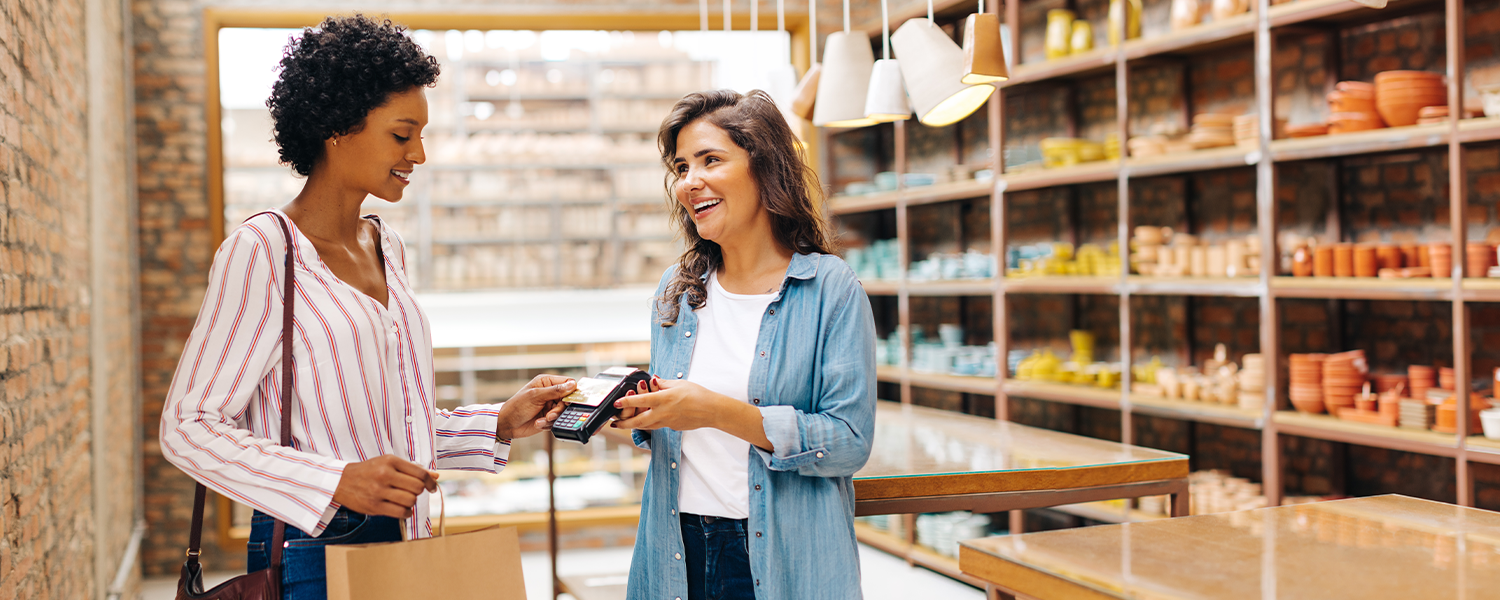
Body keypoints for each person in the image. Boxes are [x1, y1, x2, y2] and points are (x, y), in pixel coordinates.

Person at [159, 15, 575, 599]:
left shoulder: (388, 246)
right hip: (314, 550)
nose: (419, 154)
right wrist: (335, 482)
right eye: (402, 135)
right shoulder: (264, 251)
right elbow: (187, 427)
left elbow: (385, 427)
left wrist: (498, 423)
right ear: (338, 127)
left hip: (408, 534)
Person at [613, 89, 877, 600]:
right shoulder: (677, 289)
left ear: (765, 167)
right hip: (675, 548)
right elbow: (673, 432)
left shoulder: (830, 288)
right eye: (682, 167)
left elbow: (848, 442)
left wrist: (715, 411)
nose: (690, 181)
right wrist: (632, 411)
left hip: (782, 556)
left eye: (710, 160)